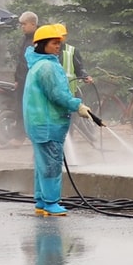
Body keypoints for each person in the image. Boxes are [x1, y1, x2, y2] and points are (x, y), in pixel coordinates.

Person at [24, 24, 89, 217]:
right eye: (54, 43)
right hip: (48, 123)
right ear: (42, 44)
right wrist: (77, 105)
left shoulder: (38, 64)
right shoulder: (47, 67)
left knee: (42, 163)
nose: (58, 46)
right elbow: (58, 94)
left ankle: (41, 201)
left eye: (59, 43)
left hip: (38, 122)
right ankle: (51, 203)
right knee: (51, 164)